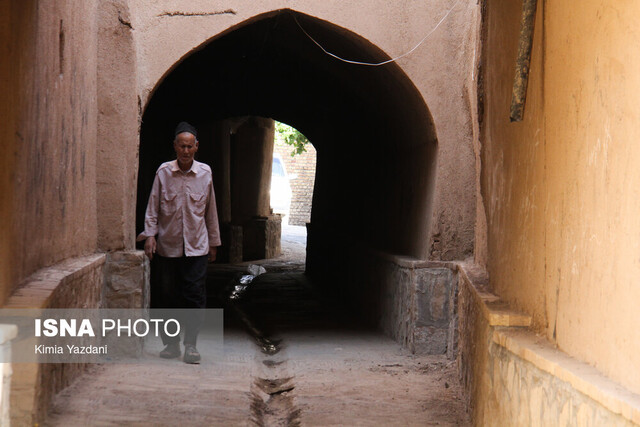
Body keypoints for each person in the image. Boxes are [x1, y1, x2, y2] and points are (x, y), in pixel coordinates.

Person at [137, 121, 221, 364]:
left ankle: (191, 345)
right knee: (167, 296)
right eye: (181, 146)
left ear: (197, 147)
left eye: (189, 146)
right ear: (175, 146)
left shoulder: (205, 174)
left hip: (197, 247)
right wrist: (150, 235)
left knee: (194, 295)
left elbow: (210, 210)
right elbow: (152, 207)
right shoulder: (163, 172)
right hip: (168, 247)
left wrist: (213, 242)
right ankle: (171, 344)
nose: (185, 151)